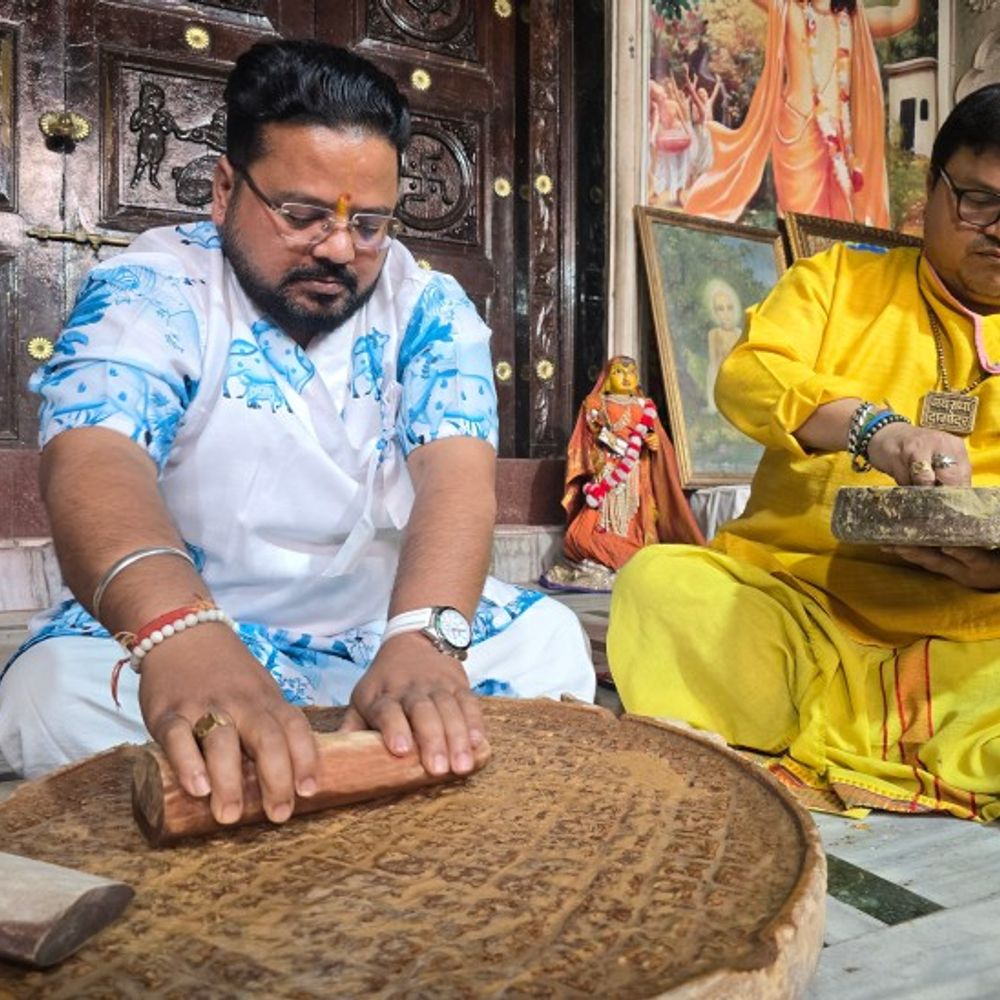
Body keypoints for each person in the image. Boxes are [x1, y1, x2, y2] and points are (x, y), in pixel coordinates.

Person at [0, 40, 594, 823]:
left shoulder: (429, 305)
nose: (340, 248)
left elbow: (457, 481)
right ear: (223, 190)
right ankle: (357, 762)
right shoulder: (155, 286)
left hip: (379, 629)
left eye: (370, 223)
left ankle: (280, 766)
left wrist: (425, 639)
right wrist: (182, 638)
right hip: (194, 621)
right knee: (46, 698)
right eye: (303, 214)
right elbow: (95, 460)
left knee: (551, 643)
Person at [609, 85, 1000, 821]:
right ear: (930, 191)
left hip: (977, 637)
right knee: (660, 588)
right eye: (979, 201)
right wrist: (875, 431)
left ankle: (811, 736)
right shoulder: (837, 282)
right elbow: (747, 376)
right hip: (799, 607)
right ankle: (875, 738)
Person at [684, 0, 919, 225]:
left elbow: (905, 14)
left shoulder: (853, 21)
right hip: (796, 136)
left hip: (839, 143)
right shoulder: (790, 9)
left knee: (838, 230)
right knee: (799, 227)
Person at [559, 356, 704, 575]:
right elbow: (584, 441)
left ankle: (626, 555)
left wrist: (654, 443)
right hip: (606, 475)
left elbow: (658, 441)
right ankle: (605, 556)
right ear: (608, 377)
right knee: (582, 535)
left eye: (631, 372)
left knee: (633, 526)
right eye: (619, 372)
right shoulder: (595, 404)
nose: (627, 378)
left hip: (635, 478)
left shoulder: (644, 407)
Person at [702, 279, 742, 413]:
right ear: (715, 312)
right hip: (720, 378)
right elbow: (714, 363)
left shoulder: (739, 333)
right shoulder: (714, 334)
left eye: (729, 308)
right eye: (720, 309)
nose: (726, 314)